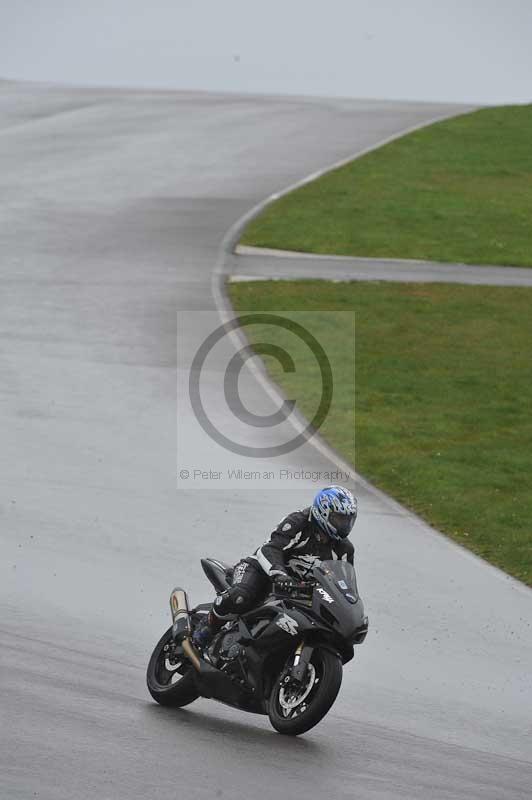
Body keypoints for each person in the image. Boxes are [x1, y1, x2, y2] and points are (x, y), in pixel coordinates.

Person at [192, 485, 358, 650]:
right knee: (240, 596)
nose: (345, 525)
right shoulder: (299, 522)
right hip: (262, 571)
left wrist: (349, 609)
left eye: (348, 520)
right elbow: (270, 549)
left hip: (299, 591)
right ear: (323, 511)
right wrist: (280, 574)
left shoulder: (344, 550)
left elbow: (342, 582)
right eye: (339, 519)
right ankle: (207, 627)